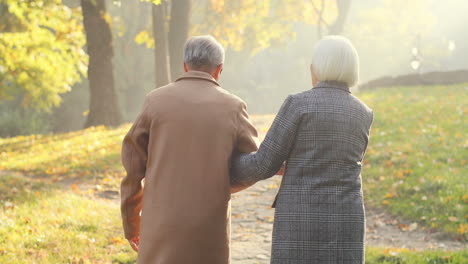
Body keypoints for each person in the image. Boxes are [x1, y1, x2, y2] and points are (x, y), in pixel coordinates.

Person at [230, 36, 374, 264]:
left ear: (315, 68)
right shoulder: (363, 113)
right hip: (347, 217)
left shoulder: (298, 105)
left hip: (300, 216)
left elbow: (264, 164)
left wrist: (228, 163)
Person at [120, 35, 259, 264]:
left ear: (185, 65)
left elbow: (133, 171)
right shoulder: (234, 107)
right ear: (219, 69)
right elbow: (254, 164)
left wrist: (132, 225)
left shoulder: (155, 101)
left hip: (160, 226)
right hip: (208, 227)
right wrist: (221, 187)